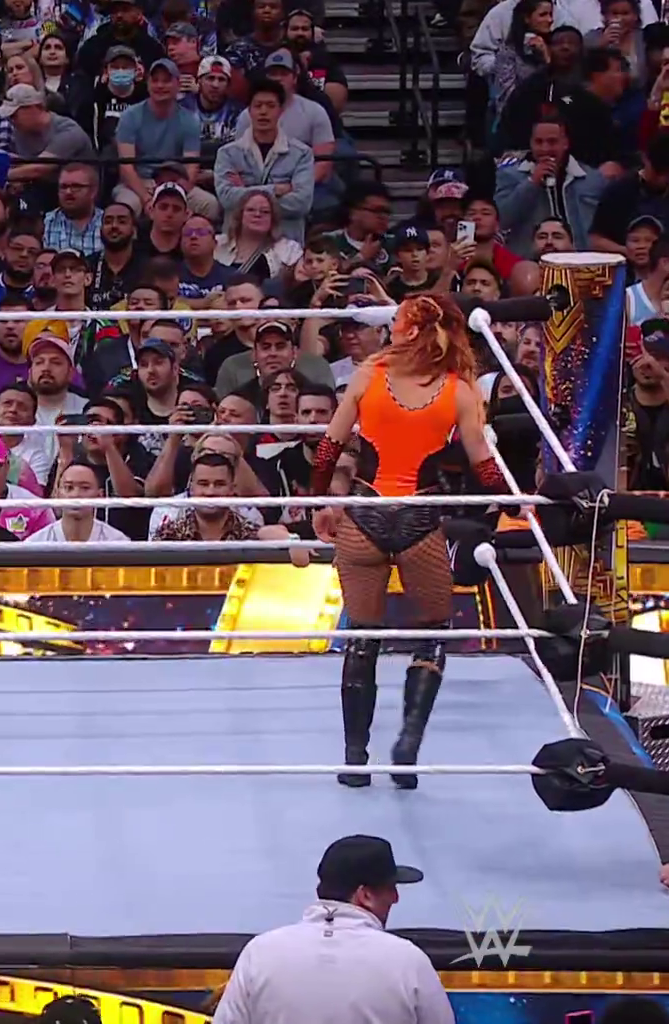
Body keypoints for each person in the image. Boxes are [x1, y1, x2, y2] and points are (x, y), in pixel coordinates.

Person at [311, 294, 505, 789]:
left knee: (363, 636)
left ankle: (356, 759)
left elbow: (329, 448)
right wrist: (512, 501)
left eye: (397, 321)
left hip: (364, 515)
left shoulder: (368, 375)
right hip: (419, 518)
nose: (391, 327)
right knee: (433, 633)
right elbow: (482, 461)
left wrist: (320, 503)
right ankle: (408, 743)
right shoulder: (460, 390)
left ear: (413, 330)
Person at [211, 835, 452, 1024]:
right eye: (390, 889)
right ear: (365, 895)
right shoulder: (409, 962)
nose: (396, 898)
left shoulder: (259, 954)